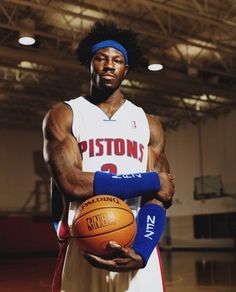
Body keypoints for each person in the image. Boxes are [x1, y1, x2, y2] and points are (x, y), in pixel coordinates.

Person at [42, 21, 175, 292]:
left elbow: (161, 195)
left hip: (136, 243)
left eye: (117, 60)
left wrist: (142, 250)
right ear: (90, 64)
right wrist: (152, 179)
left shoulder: (149, 124)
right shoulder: (66, 114)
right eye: (101, 58)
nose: (108, 65)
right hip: (85, 242)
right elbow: (72, 182)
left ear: (126, 68)